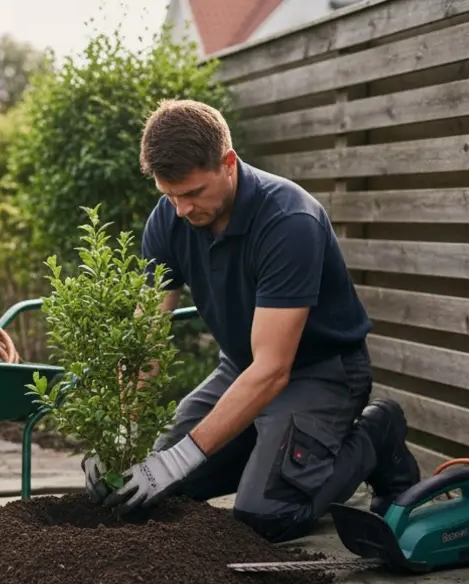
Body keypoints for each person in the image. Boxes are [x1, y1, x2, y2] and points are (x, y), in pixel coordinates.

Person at [84, 99, 422, 543]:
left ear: (228, 162)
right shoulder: (169, 218)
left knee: (267, 517)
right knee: (154, 493)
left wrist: (182, 456)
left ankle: (377, 436)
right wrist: (117, 430)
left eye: (192, 194)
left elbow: (273, 369)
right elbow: (147, 334)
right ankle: (272, 455)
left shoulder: (288, 221)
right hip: (240, 369)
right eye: (169, 195)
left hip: (320, 373)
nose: (181, 209)